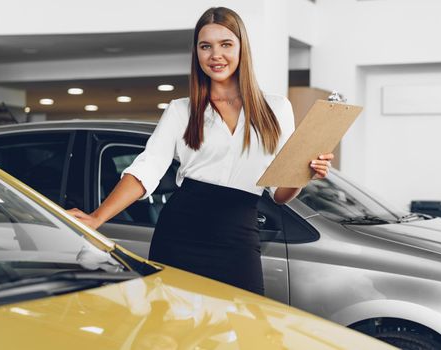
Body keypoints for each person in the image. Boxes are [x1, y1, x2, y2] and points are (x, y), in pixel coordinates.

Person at [67, 7, 333, 295]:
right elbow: (146, 169)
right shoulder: (181, 111)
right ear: (197, 53)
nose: (215, 55)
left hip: (239, 237)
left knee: (241, 330)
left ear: (243, 48)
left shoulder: (277, 109)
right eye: (205, 46)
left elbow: (280, 195)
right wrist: (97, 218)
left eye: (226, 44)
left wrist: (304, 173)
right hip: (180, 234)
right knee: (177, 333)